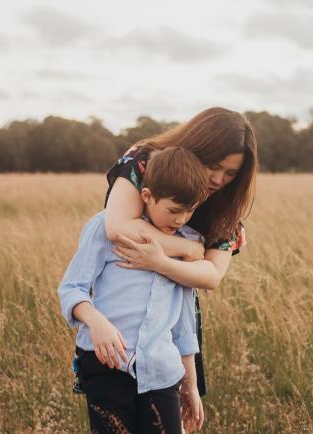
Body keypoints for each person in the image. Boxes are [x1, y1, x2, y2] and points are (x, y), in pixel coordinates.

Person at [104, 107, 258, 396]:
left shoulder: (227, 206)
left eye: (230, 173)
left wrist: (160, 262)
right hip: (121, 311)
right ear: (197, 147)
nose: (218, 179)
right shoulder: (145, 159)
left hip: (174, 321)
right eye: (214, 165)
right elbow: (119, 226)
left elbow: (211, 275)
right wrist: (188, 248)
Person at [58, 147, 209, 434]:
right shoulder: (105, 227)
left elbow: (185, 326)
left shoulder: (189, 245)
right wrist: (95, 321)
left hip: (161, 370)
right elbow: (71, 289)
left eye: (190, 211)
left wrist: (190, 385)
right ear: (147, 196)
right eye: (174, 210)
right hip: (106, 364)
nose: (182, 220)